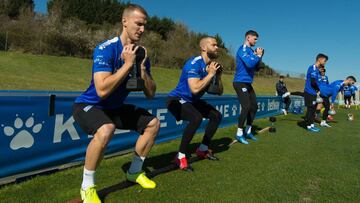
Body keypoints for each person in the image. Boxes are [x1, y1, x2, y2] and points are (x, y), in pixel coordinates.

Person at [72, 4, 160, 202]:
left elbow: (151, 93)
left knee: (153, 124)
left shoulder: (141, 53)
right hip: (89, 105)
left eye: (145, 25)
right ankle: (87, 187)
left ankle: (134, 172)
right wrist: (127, 64)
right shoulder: (106, 49)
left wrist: (142, 68)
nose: (142, 30)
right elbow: (102, 89)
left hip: (114, 108)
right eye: (138, 24)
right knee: (106, 129)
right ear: (125, 22)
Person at [167, 36, 223, 171]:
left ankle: (202, 149)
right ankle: (180, 156)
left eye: (217, 45)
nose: (217, 47)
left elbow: (218, 92)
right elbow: (195, 88)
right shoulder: (194, 63)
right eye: (214, 45)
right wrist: (210, 75)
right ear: (204, 48)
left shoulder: (210, 67)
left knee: (216, 116)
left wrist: (217, 77)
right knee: (196, 118)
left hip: (192, 101)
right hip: (176, 100)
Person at [233, 30, 264, 144]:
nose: (256, 41)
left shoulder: (251, 51)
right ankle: (239, 133)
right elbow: (250, 64)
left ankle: (248, 131)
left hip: (247, 83)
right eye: (254, 39)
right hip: (239, 82)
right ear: (248, 37)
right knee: (246, 106)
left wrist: (259, 57)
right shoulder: (243, 49)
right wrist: (258, 56)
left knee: (254, 106)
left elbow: (256, 67)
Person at [303, 53, 328, 132]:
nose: (325, 62)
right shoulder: (313, 68)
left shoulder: (317, 69)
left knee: (313, 110)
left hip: (313, 93)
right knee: (311, 110)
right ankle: (308, 126)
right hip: (309, 92)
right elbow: (313, 82)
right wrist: (318, 90)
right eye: (324, 61)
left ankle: (311, 125)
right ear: (319, 59)